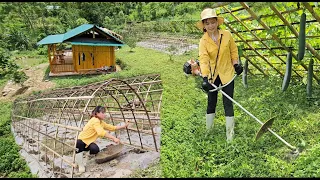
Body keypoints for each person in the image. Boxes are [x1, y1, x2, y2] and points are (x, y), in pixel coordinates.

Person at [196, 8, 243, 142]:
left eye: (212, 22)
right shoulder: (203, 41)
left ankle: (230, 136)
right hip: (212, 75)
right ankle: (208, 131)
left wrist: (236, 65)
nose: (210, 26)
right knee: (211, 102)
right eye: (207, 23)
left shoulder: (227, 35)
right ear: (204, 26)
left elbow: (233, 51)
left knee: (228, 103)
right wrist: (205, 78)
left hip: (227, 73)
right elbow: (204, 59)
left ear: (217, 22)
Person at [75, 105, 129, 173]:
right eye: (102, 112)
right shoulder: (95, 120)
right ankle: (80, 164)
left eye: (104, 112)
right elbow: (101, 132)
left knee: (95, 149)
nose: (104, 114)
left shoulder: (101, 122)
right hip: (81, 141)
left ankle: (85, 156)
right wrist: (113, 138)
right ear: (97, 113)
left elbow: (111, 127)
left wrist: (123, 126)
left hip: (89, 142)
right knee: (79, 145)